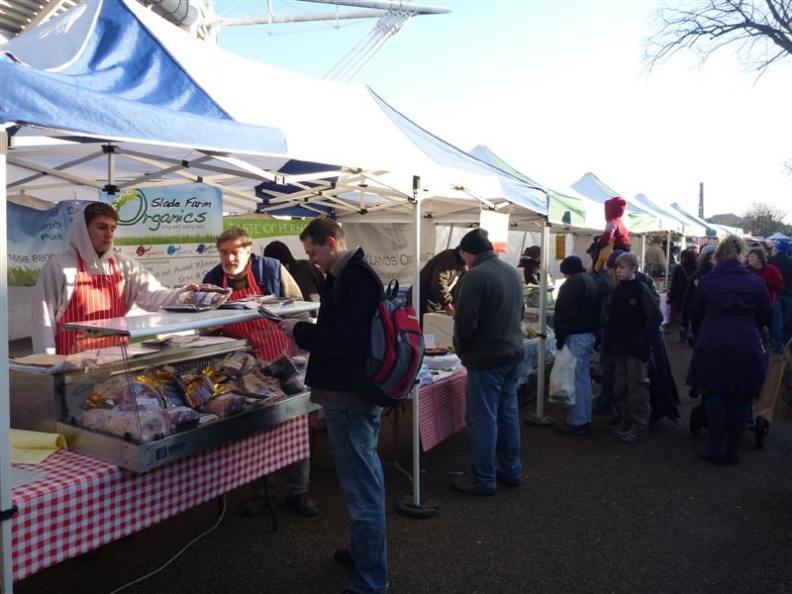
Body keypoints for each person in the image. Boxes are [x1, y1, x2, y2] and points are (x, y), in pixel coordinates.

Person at [278, 218, 387, 594]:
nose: (312, 262)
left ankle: (371, 582)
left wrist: (300, 331)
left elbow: (347, 342)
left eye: (313, 253)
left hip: (349, 398)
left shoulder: (353, 278)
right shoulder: (351, 274)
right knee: (363, 484)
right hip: (353, 394)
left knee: (362, 491)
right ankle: (362, 556)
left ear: (330, 243)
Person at [203, 227, 318, 519]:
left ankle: (298, 491)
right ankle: (261, 492)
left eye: (235, 252)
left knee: (295, 425)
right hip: (245, 366)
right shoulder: (213, 280)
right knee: (256, 429)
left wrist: (302, 360)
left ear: (248, 251)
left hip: (283, 359)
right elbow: (206, 325)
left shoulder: (272, 269)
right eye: (224, 253)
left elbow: (300, 308)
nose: (229, 258)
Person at [32, 201, 199, 355]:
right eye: (102, 227)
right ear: (83, 230)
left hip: (116, 361)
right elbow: (43, 320)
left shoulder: (124, 265)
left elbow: (153, 296)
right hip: (73, 365)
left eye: (112, 228)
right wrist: (48, 363)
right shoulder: (59, 266)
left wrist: (184, 294)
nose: (108, 234)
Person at [686, 235, 774, 465]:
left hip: (713, 341)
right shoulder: (756, 282)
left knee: (715, 393)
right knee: (742, 395)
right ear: (743, 254)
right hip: (746, 342)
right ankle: (733, 450)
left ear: (719, 255)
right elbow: (766, 316)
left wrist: (700, 334)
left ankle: (716, 448)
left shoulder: (707, 281)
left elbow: (695, 314)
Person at [451, 228, 525, 495]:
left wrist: (461, 350)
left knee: (483, 419)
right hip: (513, 354)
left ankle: (483, 478)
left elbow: (465, 322)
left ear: (469, 253)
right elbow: (521, 312)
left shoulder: (475, 277)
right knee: (507, 415)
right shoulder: (511, 273)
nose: (464, 260)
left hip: (487, 359)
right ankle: (511, 470)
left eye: (463, 255)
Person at [603, 252, 663, 442]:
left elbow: (655, 317)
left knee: (637, 387)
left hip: (636, 349)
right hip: (619, 346)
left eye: (622, 268)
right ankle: (627, 420)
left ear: (633, 269)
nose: (618, 271)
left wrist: (641, 339)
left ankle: (639, 426)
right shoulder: (619, 289)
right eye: (617, 268)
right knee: (621, 386)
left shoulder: (640, 289)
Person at [552, 255, 602, 435]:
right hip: (588, 334)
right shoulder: (591, 281)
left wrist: (560, 337)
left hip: (575, 335)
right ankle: (584, 417)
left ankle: (577, 422)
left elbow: (565, 313)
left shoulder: (572, 284)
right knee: (582, 378)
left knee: (574, 380)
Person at [406, 247, 466, 320]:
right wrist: (447, 303)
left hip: (433, 301)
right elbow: (438, 284)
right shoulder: (448, 259)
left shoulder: (462, 265)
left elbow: (459, 287)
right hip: (422, 299)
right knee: (425, 326)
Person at [680, 244, 717, 347]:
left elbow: (688, 299)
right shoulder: (724, 275)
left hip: (700, 318)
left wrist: (684, 321)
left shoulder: (698, 276)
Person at [669, 247, 699, 342]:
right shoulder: (698, 268)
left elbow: (674, 284)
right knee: (692, 315)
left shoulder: (679, 268)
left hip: (681, 295)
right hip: (693, 295)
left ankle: (684, 334)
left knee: (683, 315)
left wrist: (671, 297)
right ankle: (692, 333)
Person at [768, 240, 792, 353]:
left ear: (777, 249)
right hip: (789, 295)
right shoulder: (790, 262)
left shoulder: (771, 261)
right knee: (788, 321)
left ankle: (779, 345)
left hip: (776, 293)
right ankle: (787, 343)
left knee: (777, 320)